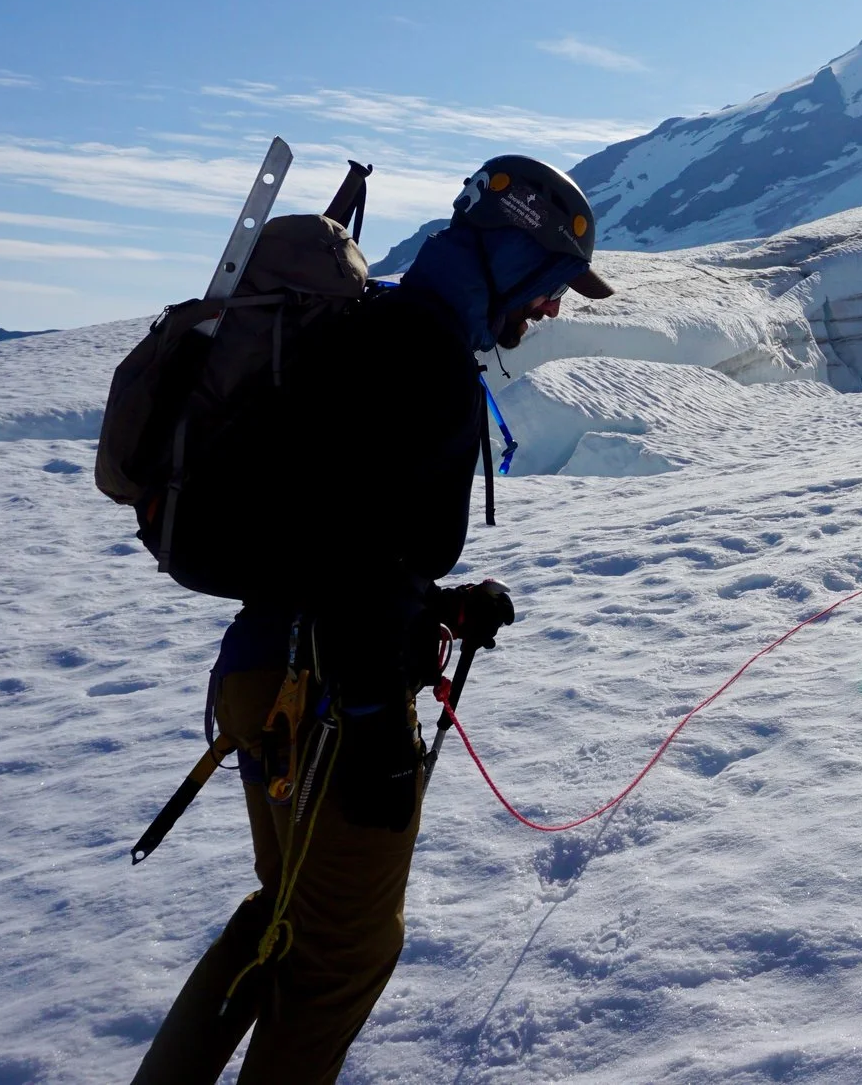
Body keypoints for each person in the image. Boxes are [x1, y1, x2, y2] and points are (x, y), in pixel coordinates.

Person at [134, 155, 614, 1085]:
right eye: (553, 284)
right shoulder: (419, 352)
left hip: (268, 676)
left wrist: (431, 604)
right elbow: (348, 540)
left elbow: (333, 524)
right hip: (323, 699)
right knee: (338, 958)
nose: (553, 308)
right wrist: (370, 726)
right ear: (515, 258)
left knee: (285, 918)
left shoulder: (385, 331)